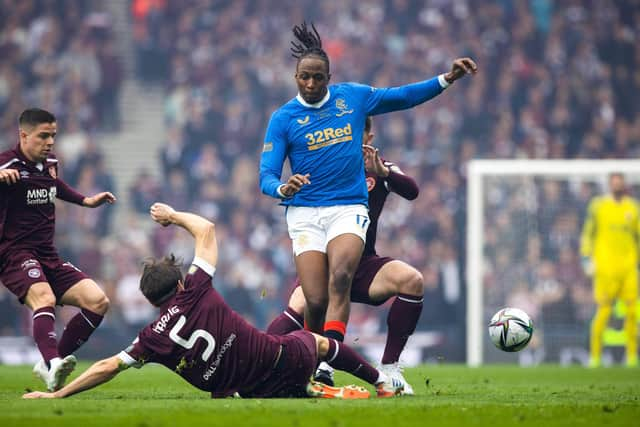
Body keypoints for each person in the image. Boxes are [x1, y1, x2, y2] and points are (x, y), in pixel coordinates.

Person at [23, 203, 406, 400]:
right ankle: (381, 382)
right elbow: (205, 229)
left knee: (282, 331)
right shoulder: (195, 289)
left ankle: (304, 389)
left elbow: (106, 367)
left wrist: (57, 394)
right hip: (279, 359)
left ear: (153, 300)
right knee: (318, 342)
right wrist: (172, 216)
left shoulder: (151, 337)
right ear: (177, 284)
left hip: (245, 391)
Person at [259, 22, 476, 358]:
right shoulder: (283, 118)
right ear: (295, 77)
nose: (311, 83)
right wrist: (283, 188)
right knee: (314, 299)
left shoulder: (353, 97)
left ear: (330, 77)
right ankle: (309, 362)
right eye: (305, 77)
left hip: (348, 206)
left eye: (318, 77)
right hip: (303, 212)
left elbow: (402, 97)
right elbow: (266, 175)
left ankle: (331, 361)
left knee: (341, 276)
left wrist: (445, 79)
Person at [267, 117, 423, 393]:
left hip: (362, 263)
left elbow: (412, 191)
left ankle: (389, 367)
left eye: (354, 130)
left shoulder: (378, 166)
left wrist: (385, 175)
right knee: (299, 308)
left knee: (412, 280)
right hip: (323, 265)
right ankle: (254, 361)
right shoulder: (323, 163)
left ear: (368, 137)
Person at [0, 108, 116, 391]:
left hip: (47, 255)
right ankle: (52, 364)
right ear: (24, 135)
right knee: (45, 298)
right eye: (43, 136)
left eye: (53, 135)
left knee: (98, 301)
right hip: (14, 254)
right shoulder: (7, 164)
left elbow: (55, 185)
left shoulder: (51, 162)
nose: (50, 141)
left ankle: (52, 363)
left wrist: (85, 201)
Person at [580, 173, 638, 367]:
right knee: (603, 311)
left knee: (632, 312)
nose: (617, 186)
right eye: (614, 183)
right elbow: (588, 233)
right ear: (609, 185)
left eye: (620, 183)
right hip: (605, 269)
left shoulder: (633, 208)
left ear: (624, 185)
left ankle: (631, 357)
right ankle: (595, 357)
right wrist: (586, 258)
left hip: (628, 268)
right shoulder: (598, 206)